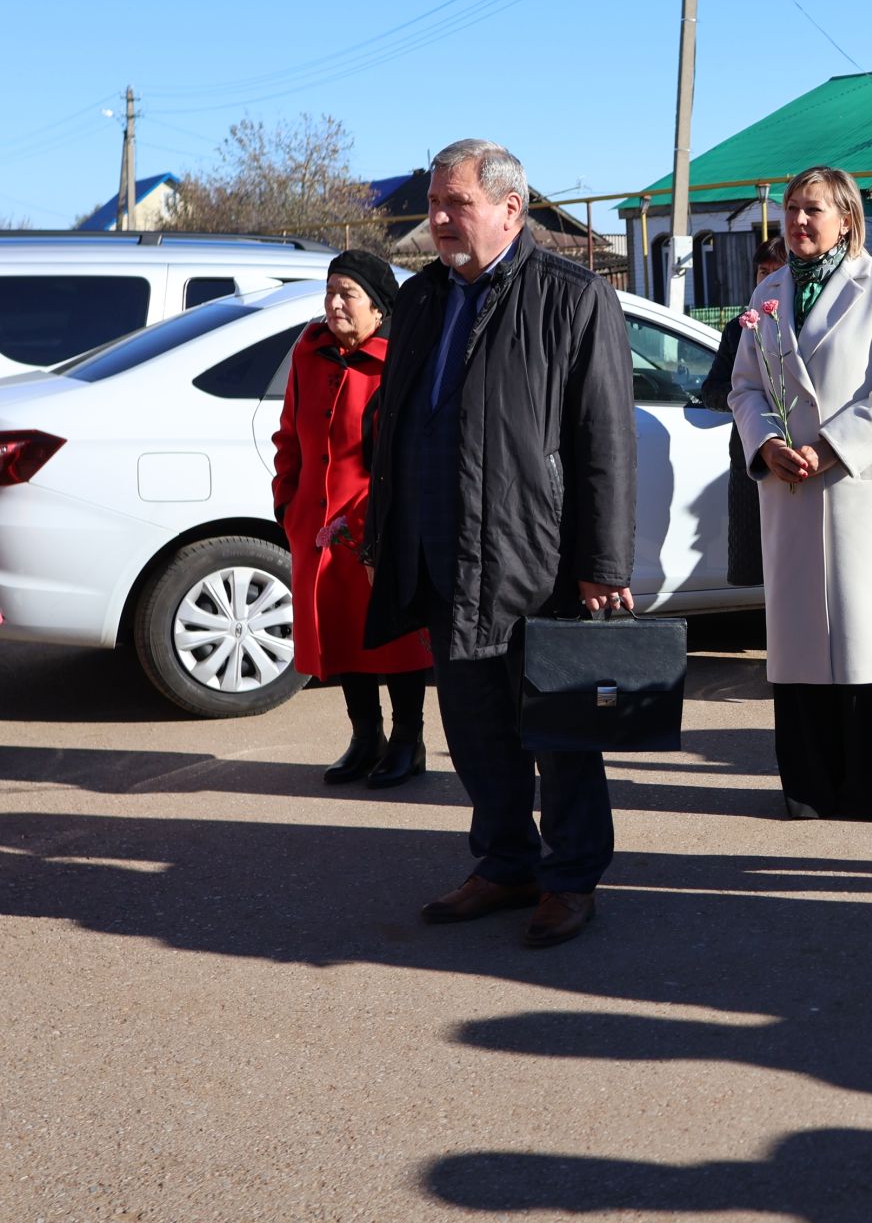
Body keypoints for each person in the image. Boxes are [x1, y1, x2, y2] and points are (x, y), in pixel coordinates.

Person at [361, 139, 636, 950]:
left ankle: (572, 876)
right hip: (443, 552)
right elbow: (394, 430)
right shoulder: (418, 302)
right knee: (475, 727)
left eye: (457, 205)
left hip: (536, 557)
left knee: (559, 730)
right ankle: (505, 860)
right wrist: (384, 531)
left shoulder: (574, 297)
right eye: (435, 205)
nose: (439, 221)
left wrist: (602, 565)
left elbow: (605, 442)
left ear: (510, 210)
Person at [730, 165, 872, 821]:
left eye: (813, 210)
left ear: (846, 218)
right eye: (790, 209)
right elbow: (745, 387)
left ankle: (867, 791)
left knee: (860, 639)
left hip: (851, 484)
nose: (798, 222)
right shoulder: (770, 291)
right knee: (799, 641)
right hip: (789, 487)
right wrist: (764, 443)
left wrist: (833, 444)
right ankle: (807, 789)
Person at [271, 249, 433, 789]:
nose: (335, 304)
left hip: (375, 526)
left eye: (349, 294)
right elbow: (289, 434)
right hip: (317, 526)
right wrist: (286, 501)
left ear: (379, 308)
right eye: (330, 292)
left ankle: (409, 741)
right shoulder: (309, 353)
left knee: (396, 638)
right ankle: (366, 738)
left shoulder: (401, 360)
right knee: (341, 635)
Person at [701, 235, 788, 588]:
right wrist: (748, 396)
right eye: (761, 272)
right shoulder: (740, 328)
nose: (767, 279)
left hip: (805, 451)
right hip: (752, 451)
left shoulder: (809, 323)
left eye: (775, 270)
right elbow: (712, 390)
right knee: (761, 563)